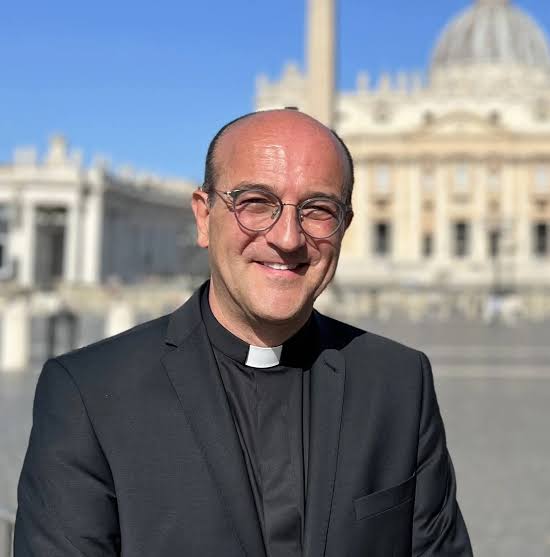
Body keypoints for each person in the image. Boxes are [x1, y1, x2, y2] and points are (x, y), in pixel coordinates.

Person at [15, 109, 473, 556]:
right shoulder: (89, 393)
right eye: (256, 204)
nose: (288, 238)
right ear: (203, 216)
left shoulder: (398, 381)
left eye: (317, 210)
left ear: (344, 227)